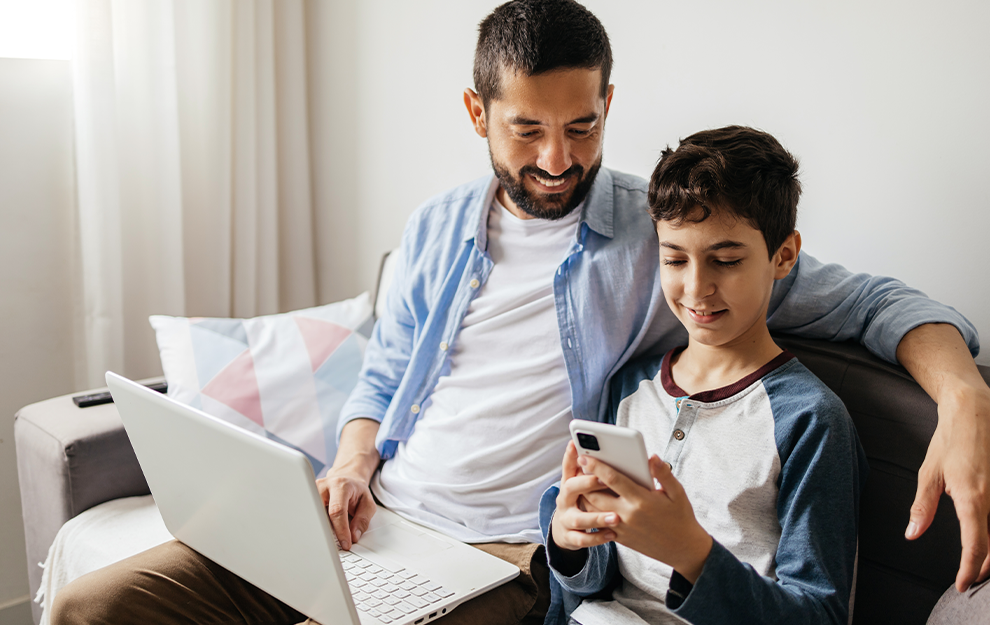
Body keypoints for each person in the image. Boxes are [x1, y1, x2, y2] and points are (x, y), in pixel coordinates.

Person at [51, 1, 989, 624]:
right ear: (476, 112)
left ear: (607, 104)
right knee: (96, 607)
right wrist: (352, 454)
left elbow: (874, 303)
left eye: (582, 126)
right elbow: (385, 367)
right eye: (527, 129)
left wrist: (964, 399)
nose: (556, 157)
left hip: (501, 554)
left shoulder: (663, 237)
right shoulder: (438, 225)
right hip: (371, 513)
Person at [542, 125, 866, 624]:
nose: (696, 288)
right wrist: (570, 542)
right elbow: (596, 577)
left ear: (783, 255)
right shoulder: (632, 387)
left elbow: (819, 614)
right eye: (675, 258)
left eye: (727, 260)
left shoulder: (809, 420)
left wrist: (693, 553)